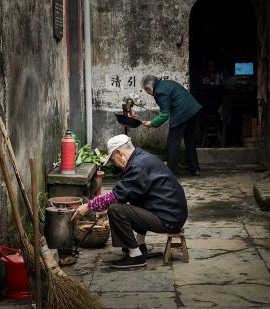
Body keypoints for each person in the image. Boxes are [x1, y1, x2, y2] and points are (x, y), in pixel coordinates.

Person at [72, 134, 188, 268]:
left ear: (120, 153)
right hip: (173, 214)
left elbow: (116, 196)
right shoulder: (142, 158)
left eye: (114, 159)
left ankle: (136, 256)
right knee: (130, 199)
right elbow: (127, 193)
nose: (116, 164)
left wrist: (89, 206)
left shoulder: (138, 165)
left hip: (169, 219)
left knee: (115, 209)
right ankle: (139, 245)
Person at [141, 75, 202, 176]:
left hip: (181, 113)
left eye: (147, 91)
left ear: (149, 88)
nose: (149, 94)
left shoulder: (159, 92)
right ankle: (195, 169)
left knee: (172, 143)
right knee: (190, 141)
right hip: (193, 110)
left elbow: (164, 115)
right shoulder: (166, 83)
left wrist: (152, 123)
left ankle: (172, 172)